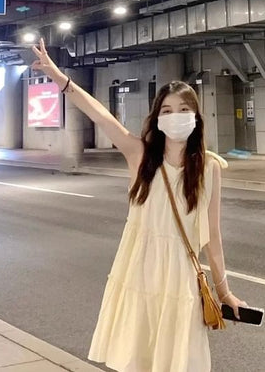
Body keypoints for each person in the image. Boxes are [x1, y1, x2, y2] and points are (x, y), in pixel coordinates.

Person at [32, 38, 247, 372]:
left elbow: (213, 236)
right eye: (167, 111)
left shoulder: (210, 167)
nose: (176, 116)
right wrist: (58, 77)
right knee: (139, 356)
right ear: (157, 117)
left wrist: (224, 292)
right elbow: (99, 114)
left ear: (196, 116)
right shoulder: (140, 155)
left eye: (184, 110)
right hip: (140, 269)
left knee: (180, 359)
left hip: (180, 275)